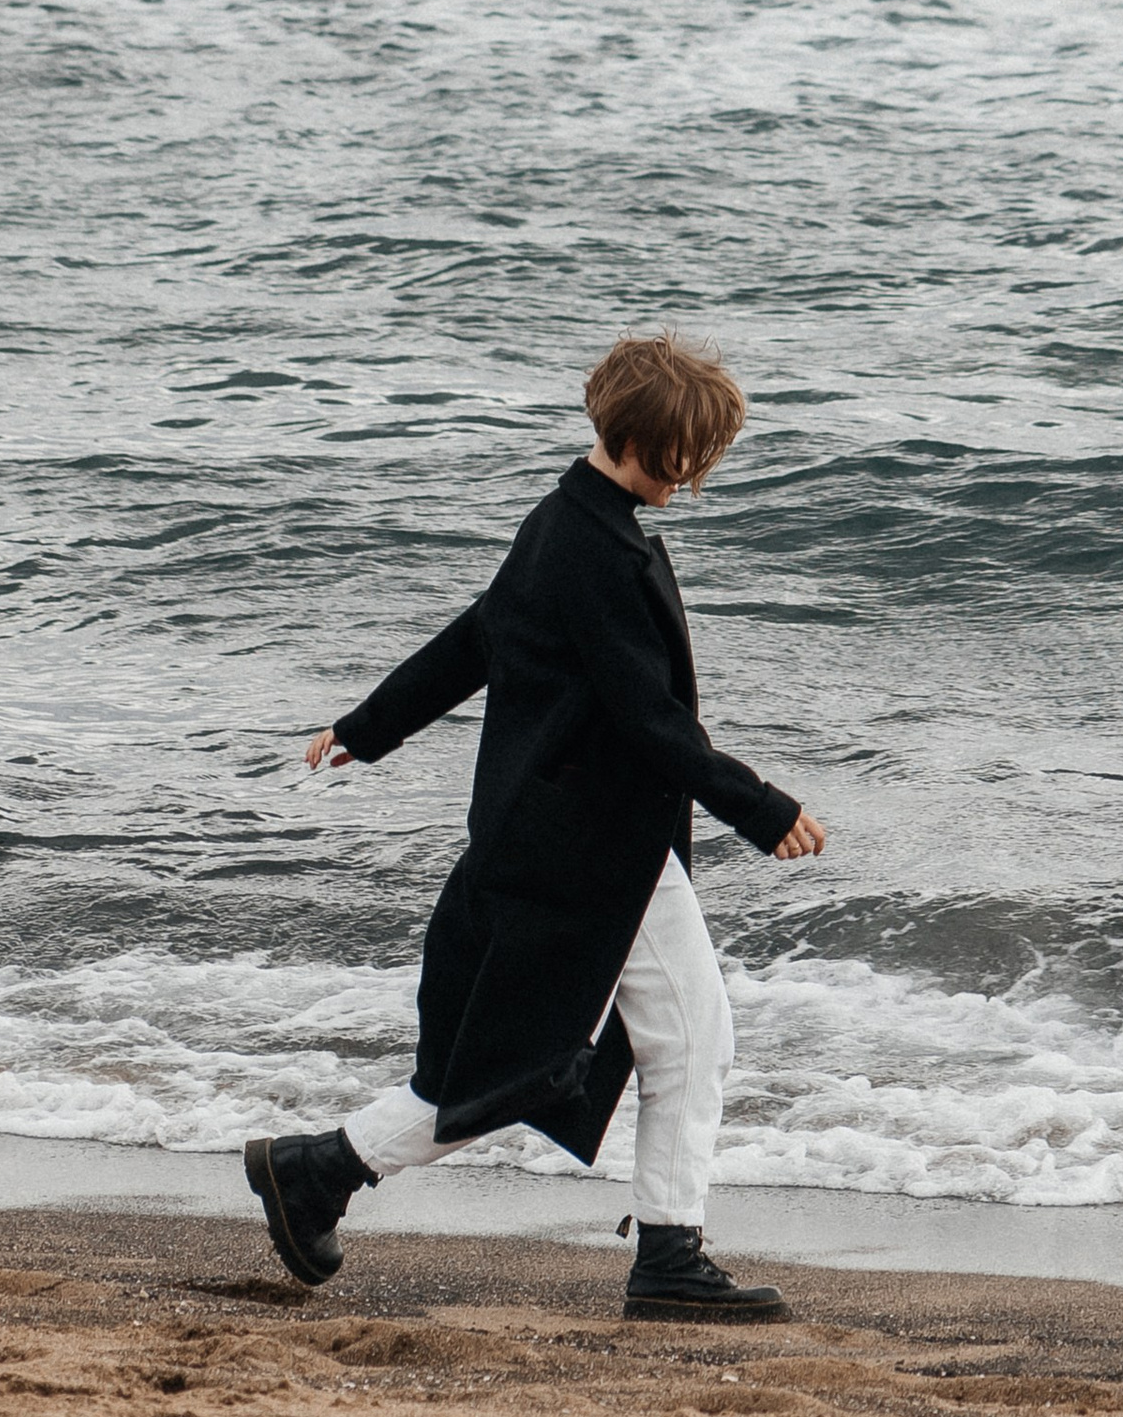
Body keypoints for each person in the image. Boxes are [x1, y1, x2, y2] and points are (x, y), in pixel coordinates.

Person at [244, 332, 824, 1317]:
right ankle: (662, 1259)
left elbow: (477, 638)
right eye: (688, 453)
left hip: (577, 837)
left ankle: (321, 1170)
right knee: (618, 1051)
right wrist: (761, 808)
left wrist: (366, 727)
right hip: (597, 846)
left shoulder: (569, 522)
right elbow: (647, 722)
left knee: (573, 1055)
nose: (696, 471)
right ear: (641, 440)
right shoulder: (593, 550)